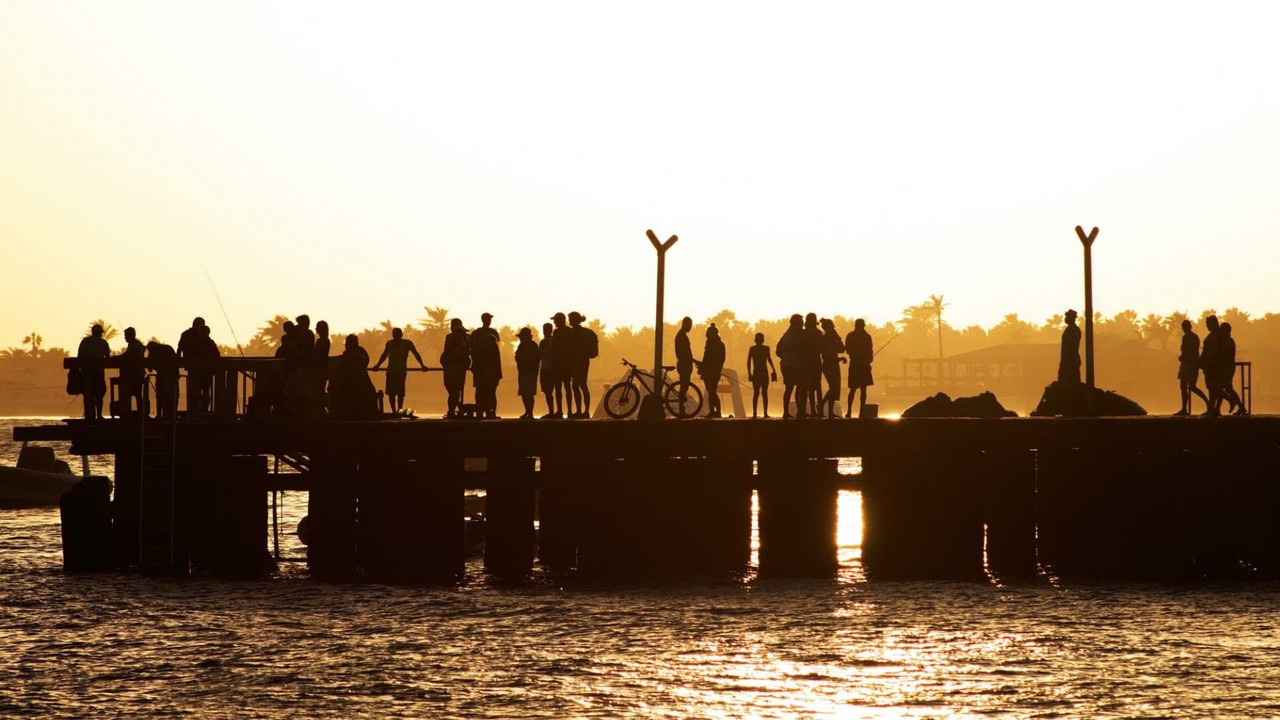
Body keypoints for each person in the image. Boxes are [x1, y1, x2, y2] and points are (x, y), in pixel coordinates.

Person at [372, 327, 426, 415]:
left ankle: (399, 410)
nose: (396, 335)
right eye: (395, 334)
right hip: (391, 371)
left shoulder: (407, 343)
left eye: (398, 334)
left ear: (401, 335)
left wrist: (422, 365)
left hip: (401, 371)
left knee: (400, 393)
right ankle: (394, 411)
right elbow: (384, 355)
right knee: (391, 393)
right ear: (393, 335)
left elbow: (416, 354)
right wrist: (377, 365)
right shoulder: (389, 343)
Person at [334, 334, 378, 419]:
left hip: (356, 377)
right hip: (356, 377)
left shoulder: (349, 353)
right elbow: (367, 359)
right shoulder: (357, 351)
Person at [1174, 319, 1210, 416]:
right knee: (1191, 387)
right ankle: (1207, 403)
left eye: (1183, 327)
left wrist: (1182, 357)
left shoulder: (1187, 337)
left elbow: (1188, 351)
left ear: (1186, 327)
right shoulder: (1194, 337)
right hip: (1192, 364)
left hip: (1188, 364)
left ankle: (1185, 409)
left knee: (1185, 386)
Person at [470, 313, 503, 419]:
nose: (488, 321)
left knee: (491, 392)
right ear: (483, 320)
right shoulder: (477, 333)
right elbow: (473, 351)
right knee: (481, 391)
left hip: (490, 370)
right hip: (481, 368)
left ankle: (490, 412)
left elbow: (496, 354)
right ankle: (481, 412)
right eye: (487, 319)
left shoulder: (492, 332)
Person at [77, 324, 111, 420]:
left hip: (87, 374)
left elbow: (80, 356)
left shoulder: (85, 342)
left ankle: (89, 416)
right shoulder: (103, 343)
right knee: (99, 395)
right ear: (100, 333)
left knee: (88, 395)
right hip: (99, 373)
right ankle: (99, 415)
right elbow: (107, 357)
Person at [567, 312, 597, 418]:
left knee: (576, 385)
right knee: (583, 385)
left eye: (570, 319)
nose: (569, 321)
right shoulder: (586, 332)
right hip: (584, 361)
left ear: (574, 320)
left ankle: (580, 411)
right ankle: (586, 411)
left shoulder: (573, 333)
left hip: (576, 361)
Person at [440, 319, 471, 418]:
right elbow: (448, 350)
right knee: (451, 388)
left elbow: (468, 350)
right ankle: (457, 407)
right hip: (450, 366)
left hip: (458, 366)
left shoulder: (466, 338)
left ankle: (452, 410)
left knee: (456, 390)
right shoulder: (449, 338)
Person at [844, 319, 874, 418]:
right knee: (862, 390)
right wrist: (868, 358)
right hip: (863, 365)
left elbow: (847, 350)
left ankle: (849, 411)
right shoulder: (867, 337)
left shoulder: (850, 336)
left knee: (853, 390)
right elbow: (870, 353)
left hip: (855, 365)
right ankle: (861, 412)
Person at [177, 317, 208, 412]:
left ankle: (195, 411)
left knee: (195, 391)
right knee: (198, 391)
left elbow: (179, 350)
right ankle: (198, 411)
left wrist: (177, 363)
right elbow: (180, 349)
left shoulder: (186, 334)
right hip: (197, 367)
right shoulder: (199, 335)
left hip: (195, 366)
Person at [776, 314, 803, 419]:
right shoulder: (791, 336)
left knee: (794, 388)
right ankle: (789, 412)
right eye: (800, 323)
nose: (802, 325)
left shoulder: (786, 336)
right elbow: (778, 351)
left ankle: (796, 411)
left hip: (789, 364)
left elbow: (778, 351)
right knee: (792, 388)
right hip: (791, 366)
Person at [819, 318, 846, 419]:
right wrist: (840, 358)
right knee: (833, 388)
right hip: (830, 365)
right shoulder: (826, 339)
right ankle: (821, 404)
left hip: (832, 364)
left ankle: (830, 412)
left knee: (833, 388)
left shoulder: (829, 338)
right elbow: (830, 356)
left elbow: (841, 349)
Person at [698, 323, 726, 418]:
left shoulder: (713, 344)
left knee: (712, 392)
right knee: (712, 392)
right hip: (711, 371)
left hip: (711, 371)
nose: (707, 335)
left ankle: (715, 411)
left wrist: (703, 367)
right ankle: (715, 411)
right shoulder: (717, 344)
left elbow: (708, 358)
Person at [146, 340, 178, 421]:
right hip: (171, 376)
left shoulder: (157, 351)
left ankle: (161, 416)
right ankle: (171, 416)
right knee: (171, 396)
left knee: (161, 397)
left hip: (165, 376)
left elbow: (150, 367)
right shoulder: (167, 348)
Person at [799, 313, 824, 417]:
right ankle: (819, 410)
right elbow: (822, 348)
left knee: (808, 387)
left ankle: (813, 410)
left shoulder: (803, 334)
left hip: (805, 362)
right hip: (816, 361)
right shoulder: (819, 333)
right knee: (817, 387)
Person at [747, 332, 776, 418]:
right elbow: (749, 362)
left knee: (759, 393)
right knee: (761, 393)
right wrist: (773, 369)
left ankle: (759, 413)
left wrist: (773, 369)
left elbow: (769, 359)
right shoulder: (763, 349)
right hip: (761, 373)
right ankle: (761, 413)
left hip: (759, 373)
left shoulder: (756, 349)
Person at [119, 327, 147, 418]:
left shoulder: (134, 345)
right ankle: (140, 413)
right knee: (137, 395)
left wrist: (118, 357)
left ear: (130, 335)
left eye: (126, 335)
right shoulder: (135, 344)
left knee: (136, 395)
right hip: (136, 374)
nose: (125, 338)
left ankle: (138, 413)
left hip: (136, 375)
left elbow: (128, 355)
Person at [1219, 322, 1246, 415]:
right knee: (1228, 388)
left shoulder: (1228, 341)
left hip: (1228, 367)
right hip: (1228, 367)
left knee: (1223, 388)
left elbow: (1226, 355)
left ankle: (1233, 402)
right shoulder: (1227, 340)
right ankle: (1241, 406)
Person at [514, 327, 541, 419]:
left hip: (530, 372)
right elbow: (517, 357)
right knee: (524, 393)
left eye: (522, 336)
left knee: (529, 393)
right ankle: (527, 411)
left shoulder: (533, 345)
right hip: (522, 371)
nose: (520, 338)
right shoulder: (521, 346)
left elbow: (536, 359)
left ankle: (530, 412)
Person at [550, 312, 574, 417]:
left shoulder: (557, 332)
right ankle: (569, 411)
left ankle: (560, 411)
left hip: (559, 363)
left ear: (559, 320)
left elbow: (554, 348)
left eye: (555, 320)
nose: (554, 322)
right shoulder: (569, 331)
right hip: (566, 364)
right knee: (567, 388)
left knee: (559, 388)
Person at [1200, 315, 1223, 416]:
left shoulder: (1217, 335)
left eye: (1208, 324)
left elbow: (1212, 351)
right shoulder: (1214, 334)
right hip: (1211, 365)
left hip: (1214, 365)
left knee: (1215, 387)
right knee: (1212, 387)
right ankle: (1213, 408)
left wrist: (1206, 361)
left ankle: (1215, 408)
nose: (1207, 326)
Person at [674, 317, 696, 415]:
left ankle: (681, 407)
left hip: (685, 363)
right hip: (684, 364)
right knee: (684, 387)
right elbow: (685, 354)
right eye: (689, 325)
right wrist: (695, 361)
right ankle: (681, 408)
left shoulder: (682, 335)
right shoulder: (682, 336)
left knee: (684, 386)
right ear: (685, 324)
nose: (690, 327)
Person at [538, 323, 561, 418]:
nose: (545, 331)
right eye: (544, 329)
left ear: (550, 330)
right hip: (545, 368)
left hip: (552, 369)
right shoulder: (543, 342)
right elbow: (539, 355)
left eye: (547, 329)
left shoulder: (553, 341)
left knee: (554, 390)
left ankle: (557, 411)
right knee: (548, 392)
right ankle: (552, 411)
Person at [312, 320, 332, 415]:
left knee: (318, 390)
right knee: (320, 389)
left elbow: (316, 354)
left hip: (319, 368)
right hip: (324, 367)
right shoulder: (327, 340)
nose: (315, 329)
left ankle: (321, 409)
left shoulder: (321, 341)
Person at [1059, 309, 1082, 385]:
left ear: (1072, 318)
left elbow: (1073, 347)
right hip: (1067, 360)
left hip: (1070, 361)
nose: (1065, 319)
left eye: (1067, 317)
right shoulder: (1070, 329)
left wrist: (1070, 360)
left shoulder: (1074, 330)